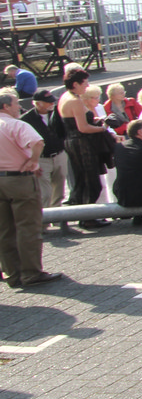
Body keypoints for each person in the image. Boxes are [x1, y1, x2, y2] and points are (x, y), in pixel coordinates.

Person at [0, 88, 55, 288]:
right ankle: (31, 272)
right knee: (28, 227)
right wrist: (33, 160)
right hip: (19, 179)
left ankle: (12, 274)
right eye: (16, 103)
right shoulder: (16, 124)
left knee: (4, 229)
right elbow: (37, 142)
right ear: (6, 106)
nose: (19, 107)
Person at [57, 69, 110, 224]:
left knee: (82, 180)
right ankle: (87, 218)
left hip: (73, 141)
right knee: (90, 181)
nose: (87, 86)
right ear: (75, 84)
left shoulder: (65, 96)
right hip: (81, 143)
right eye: (85, 83)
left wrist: (95, 121)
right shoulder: (75, 101)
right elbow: (83, 128)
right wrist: (103, 128)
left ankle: (85, 216)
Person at [22, 90, 66, 221]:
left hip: (59, 155)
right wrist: (32, 160)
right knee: (45, 193)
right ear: (38, 103)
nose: (52, 104)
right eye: (48, 102)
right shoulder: (26, 119)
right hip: (41, 159)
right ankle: (44, 222)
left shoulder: (58, 113)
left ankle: (57, 220)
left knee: (59, 191)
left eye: (52, 101)